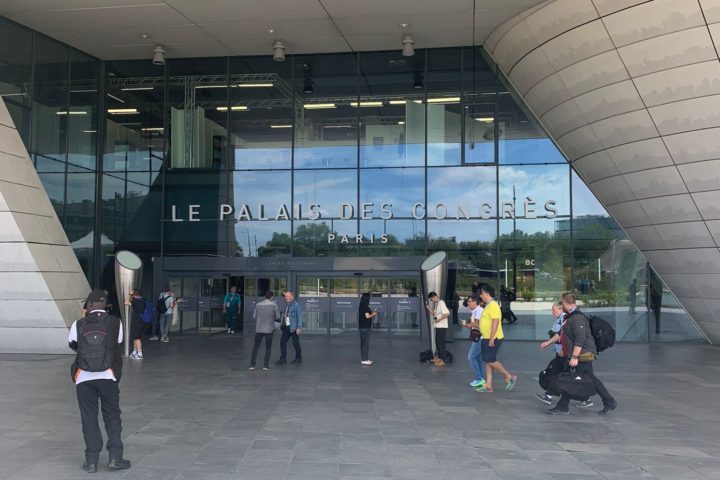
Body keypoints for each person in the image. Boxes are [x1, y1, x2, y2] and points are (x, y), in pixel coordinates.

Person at [69, 290, 131, 473]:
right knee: (112, 416)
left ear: (88, 306)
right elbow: (117, 342)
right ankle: (115, 458)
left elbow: (73, 345)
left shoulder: (78, 323)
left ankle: (91, 461)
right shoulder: (115, 322)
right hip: (108, 376)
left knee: (88, 418)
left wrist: (83, 319)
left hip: (84, 378)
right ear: (106, 305)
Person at [548, 292, 617, 415]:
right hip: (580, 354)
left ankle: (563, 406)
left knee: (570, 379)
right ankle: (609, 401)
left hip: (583, 354)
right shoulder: (569, 316)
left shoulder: (577, 318)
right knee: (588, 379)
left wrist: (574, 357)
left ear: (565, 303)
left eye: (562, 302)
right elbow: (566, 335)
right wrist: (555, 345)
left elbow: (580, 339)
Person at [536, 302, 593, 408]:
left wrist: (563, 349)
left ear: (561, 309)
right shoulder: (562, 319)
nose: (552, 312)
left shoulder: (566, 319)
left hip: (566, 353)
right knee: (557, 373)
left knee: (567, 375)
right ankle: (550, 396)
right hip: (564, 352)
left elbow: (566, 336)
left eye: (554, 310)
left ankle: (556, 399)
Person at [475, 285, 517, 393]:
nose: (481, 295)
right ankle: (488, 385)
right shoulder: (488, 305)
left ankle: (508, 376)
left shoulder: (493, 305)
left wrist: (492, 338)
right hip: (486, 337)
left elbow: (495, 322)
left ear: (487, 294)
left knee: (490, 359)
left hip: (493, 337)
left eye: (482, 293)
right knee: (487, 361)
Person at [250, 291, 280, 371]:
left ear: (265, 296)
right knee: (268, 348)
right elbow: (277, 316)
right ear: (271, 297)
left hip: (259, 329)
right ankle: (265, 366)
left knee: (256, 347)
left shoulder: (258, 305)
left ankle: (252, 365)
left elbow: (254, 316)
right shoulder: (274, 305)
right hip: (269, 329)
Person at [462, 295, 485, 388]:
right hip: (477, 337)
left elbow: (482, 325)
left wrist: (469, 325)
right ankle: (482, 378)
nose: (468, 303)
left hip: (480, 337)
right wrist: (469, 325)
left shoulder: (480, 312)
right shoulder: (475, 312)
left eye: (470, 301)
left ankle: (479, 378)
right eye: (468, 301)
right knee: (478, 359)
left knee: (471, 357)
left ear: (476, 302)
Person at [276, 290, 303, 365]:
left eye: (287, 296)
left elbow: (299, 316)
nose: (286, 297)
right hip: (287, 328)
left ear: (292, 296)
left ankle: (298, 358)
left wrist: (299, 327)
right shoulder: (287, 305)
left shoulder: (296, 305)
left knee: (296, 343)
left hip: (294, 328)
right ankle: (283, 359)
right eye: (285, 296)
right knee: (282, 342)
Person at [426, 292, 450, 367]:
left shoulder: (441, 303)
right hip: (438, 326)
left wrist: (439, 320)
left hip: (442, 326)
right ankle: (439, 358)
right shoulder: (437, 304)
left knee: (440, 343)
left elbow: (447, 313)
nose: (432, 300)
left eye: (431, 299)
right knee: (438, 342)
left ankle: (442, 359)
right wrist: (429, 308)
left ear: (435, 297)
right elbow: (435, 314)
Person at [125, 289, 146, 360]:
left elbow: (126, 302)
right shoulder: (142, 300)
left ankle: (140, 354)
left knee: (137, 338)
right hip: (140, 321)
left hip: (137, 322)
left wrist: (129, 294)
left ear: (134, 294)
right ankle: (135, 352)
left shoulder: (136, 301)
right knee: (135, 337)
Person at [358, 293, 377, 366]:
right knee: (365, 344)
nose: (369, 300)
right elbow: (367, 316)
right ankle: (364, 359)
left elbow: (366, 314)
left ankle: (365, 358)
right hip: (365, 327)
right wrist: (373, 314)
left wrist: (372, 312)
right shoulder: (365, 306)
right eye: (369, 298)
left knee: (364, 344)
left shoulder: (361, 306)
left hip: (362, 327)